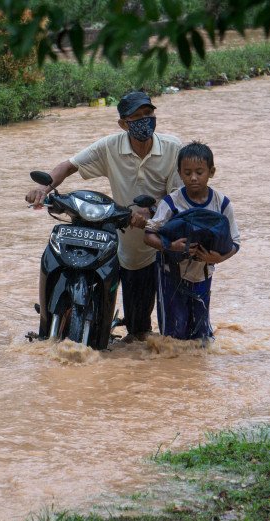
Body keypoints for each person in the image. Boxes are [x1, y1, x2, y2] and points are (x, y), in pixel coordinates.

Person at [25, 91, 182, 343]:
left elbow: (180, 197)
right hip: (122, 239)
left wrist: (152, 211)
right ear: (123, 124)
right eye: (137, 117)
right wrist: (44, 190)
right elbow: (68, 166)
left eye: (149, 114)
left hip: (152, 245)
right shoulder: (110, 146)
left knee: (138, 332)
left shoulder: (174, 149)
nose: (145, 120)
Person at [143, 141, 240, 342]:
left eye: (199, 172)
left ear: (211, 172)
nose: (193, 178)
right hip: (170, 274)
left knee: (201, 335)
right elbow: (148, 235)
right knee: (173, 335)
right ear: (179, 173)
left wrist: (219, 258)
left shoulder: (222, 204)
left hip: (204, 274)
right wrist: (169, 246)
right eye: (187, 173)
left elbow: (235, 242)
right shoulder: (171, 202)